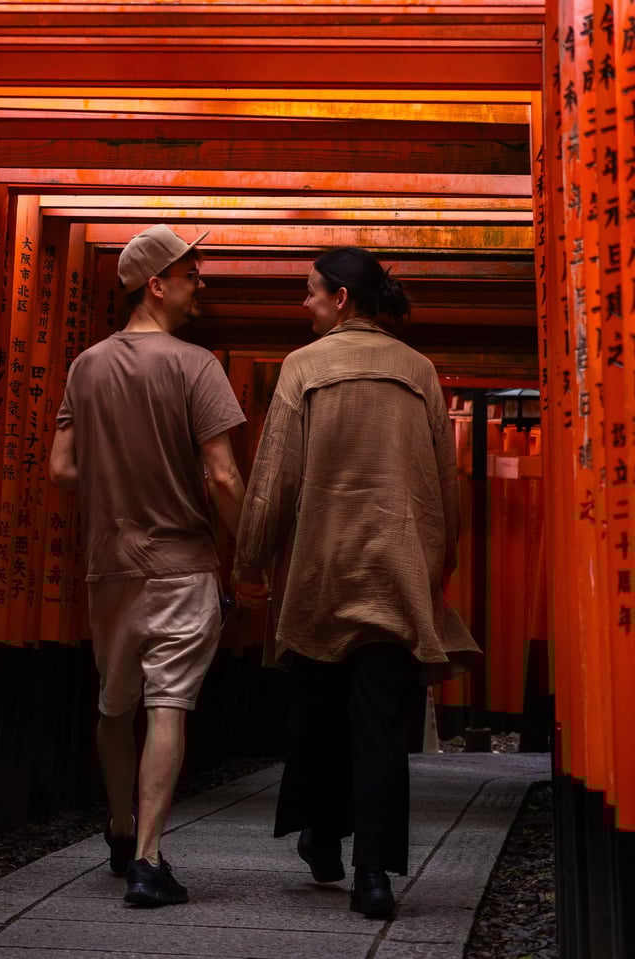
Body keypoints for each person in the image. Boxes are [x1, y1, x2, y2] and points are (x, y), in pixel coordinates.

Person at [233, 246, 480, 919]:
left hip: (321, 569)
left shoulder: (303, 367)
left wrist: (251, 557)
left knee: (317, 715)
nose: (303, 302)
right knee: (378, 724)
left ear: (342, 298)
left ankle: (319, 835)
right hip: (396, 572)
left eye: (310, 291)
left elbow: (275, 476)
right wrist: (438, 561)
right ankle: (373, 872)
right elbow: (445, 487)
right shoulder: (421, 371)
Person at [49, 224, 247, 907]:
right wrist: (248, 546)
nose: (202, 285)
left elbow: (61, 465)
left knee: (115, 702)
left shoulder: (86, 365)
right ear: (157, 283)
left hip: (108, 565)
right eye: (193, 273)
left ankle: (117, 823)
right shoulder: (197, 366)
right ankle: (148, 858)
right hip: (183, 562)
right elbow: (222, 476)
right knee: (169, 702)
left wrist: (119, 477)